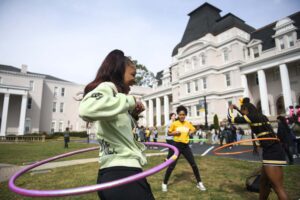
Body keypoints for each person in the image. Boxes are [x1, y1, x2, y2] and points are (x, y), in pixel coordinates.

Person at [79, 49, 154, 200]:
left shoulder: (115, 98)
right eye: (132, 75)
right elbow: (86, 109)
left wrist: (132, 115)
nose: (135, 80)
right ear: (119, 71)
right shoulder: (107, 87)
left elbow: (118, 132)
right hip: (122, 175)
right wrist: (130, 101)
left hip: (119, 174)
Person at [228, 97, 288, 200]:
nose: (243, 113)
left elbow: (231, 119)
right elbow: (246, 117)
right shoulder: (261, 116)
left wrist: (230, 109)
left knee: (277, 187)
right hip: (271, 149)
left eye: (243, 111)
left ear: (247, 109)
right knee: (263, 183)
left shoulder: (251, 117)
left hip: (272, 151)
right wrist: (238, 109)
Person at [162, 105, 206, 192]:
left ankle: (199, 182)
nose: (182, 116)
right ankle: (164, 183)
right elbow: (168, 133)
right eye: (180, 114)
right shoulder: (174, 123)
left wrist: (191, 132)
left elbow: (193, 129)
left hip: (185, 146)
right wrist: (175, 133)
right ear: (178, 115)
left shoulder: (187, 123)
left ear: (185, 115)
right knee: (171, 166)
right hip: (176, 146)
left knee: (193, 164)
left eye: (183, 114)